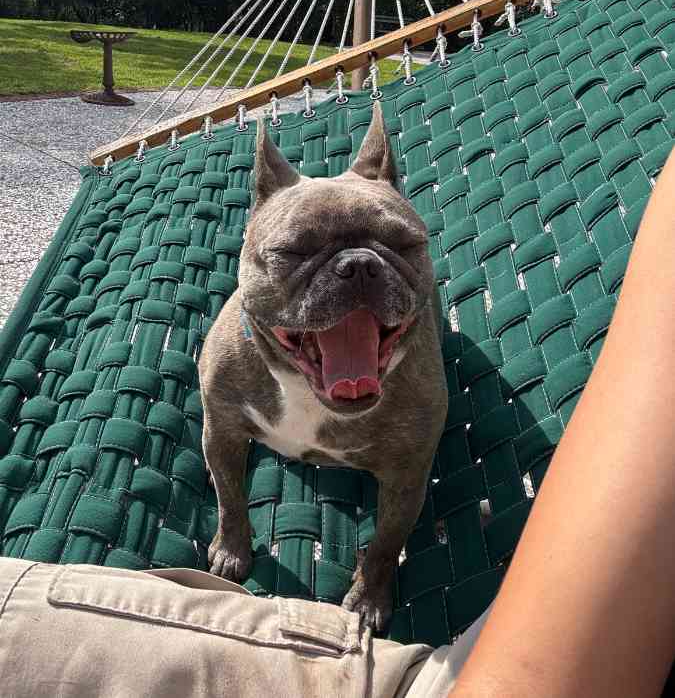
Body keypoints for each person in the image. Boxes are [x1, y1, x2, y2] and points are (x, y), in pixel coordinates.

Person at [1, 147, 674, 697]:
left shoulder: (415, 393)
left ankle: (376, 566)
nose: (356, 272)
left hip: (388, 444)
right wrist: (233, 527)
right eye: (297, 254)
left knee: (403, 477)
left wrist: (379, 567)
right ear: (250, 245)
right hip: (262, 399)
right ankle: (239, 526)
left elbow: (409, 481)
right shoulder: (228, 364)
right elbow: (221, 435)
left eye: (397, 247)